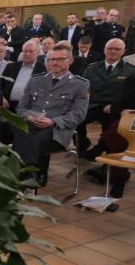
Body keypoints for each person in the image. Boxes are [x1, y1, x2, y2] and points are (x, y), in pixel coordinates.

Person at [12, 43, 88, 187]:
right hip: (30, 123)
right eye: (51, 59)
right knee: (21, 129)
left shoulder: (80, 85)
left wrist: (53, 122)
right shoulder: (36, 80)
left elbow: (79, 114)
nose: (55, 63)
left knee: (26, 135)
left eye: (60, 59)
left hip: (56, 130)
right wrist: (29, 116)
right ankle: (33, 172)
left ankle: (27, 172)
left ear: (70, 60)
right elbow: (21, 107)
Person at [82, 49, 135, 197]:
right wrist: (122, 111)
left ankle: (100, 147)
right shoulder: (132, 78)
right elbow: (118, 101)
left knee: (118, 131)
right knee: (120, 139)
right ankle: (118, 181)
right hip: (128, 122)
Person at [77, 38, 135, 156]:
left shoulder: (130, 71)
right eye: (110, 48)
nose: (113, 51)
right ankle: (83, 144)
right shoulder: (92, 68)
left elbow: (129, 95)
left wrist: (116, 106)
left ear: (123, 52)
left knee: (111, 125)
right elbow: (84, 88)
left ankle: (105, 153)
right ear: (104, 50)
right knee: (76, 119)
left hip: (113, 108)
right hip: (93, 105)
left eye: (117, 49)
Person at [0, 40, 47, 144]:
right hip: (8, 106)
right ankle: (5, 155)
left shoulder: (43, 70)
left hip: (28, 109)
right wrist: (1, 97)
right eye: (25, 51)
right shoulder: (11, 67)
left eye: (31, 51)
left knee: (17, 129)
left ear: (37, 53)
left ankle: (19, 154)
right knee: (4, 126)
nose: (27, 54)